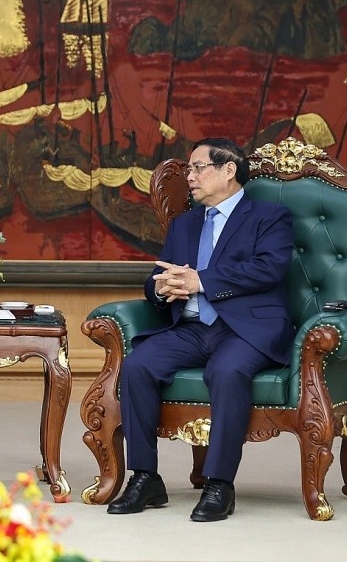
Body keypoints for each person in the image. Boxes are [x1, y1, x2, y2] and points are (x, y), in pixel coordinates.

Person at [107, 137, 295, 522]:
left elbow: (268, 269)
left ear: (228, 170)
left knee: (226, 371)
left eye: (197, 168)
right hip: (192, 328)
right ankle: (145, 478)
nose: (189, 176)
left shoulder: (268, 217)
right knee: (138, 365)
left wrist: (202, 281)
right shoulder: (185, 224)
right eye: (188, 169)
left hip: (245, 328)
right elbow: (162, 274)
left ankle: (219, 484)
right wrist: (159, 288)